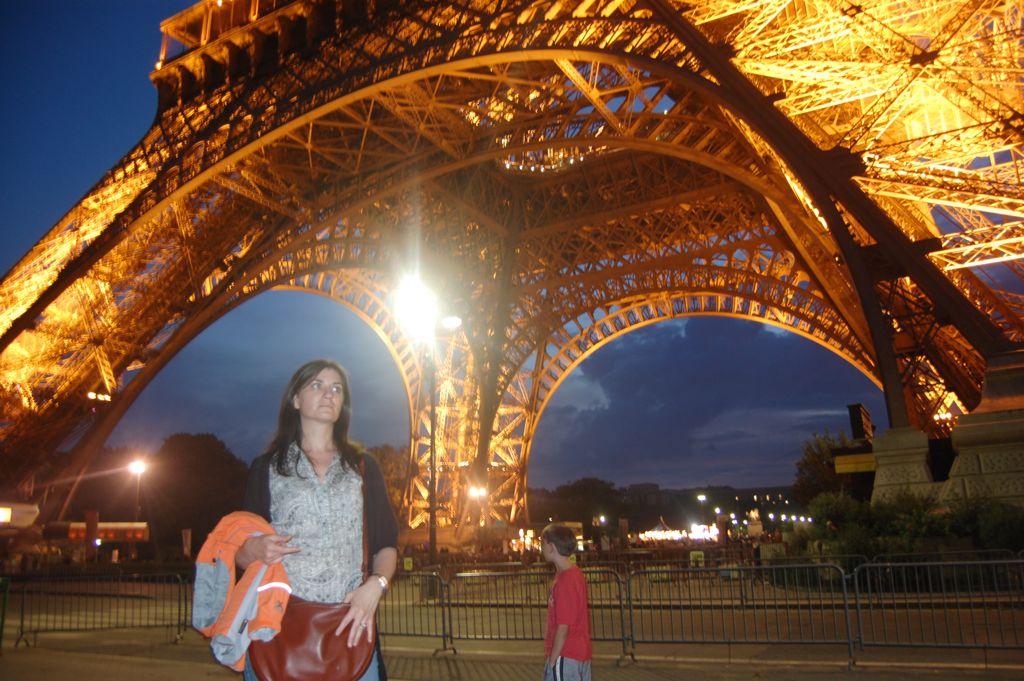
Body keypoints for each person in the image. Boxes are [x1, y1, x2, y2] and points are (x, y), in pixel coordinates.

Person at [237, 359, 398, 681]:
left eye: (336, 388)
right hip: (279, 624)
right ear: (295, 400)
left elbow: (386, 545)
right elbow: (239, 552)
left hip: (352, 622)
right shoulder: (266, 468)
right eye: (317, 385)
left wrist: (376, 586)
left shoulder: (364, 468)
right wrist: (255, 549)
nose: (328, 394)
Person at [541, 523, 592, 681]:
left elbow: (563, 628)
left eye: (542, 544)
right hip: (579, 653)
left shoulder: (564, 581)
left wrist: (552, 662)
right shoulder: (575, 574)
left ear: (551, 547)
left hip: (565, 655)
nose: (541, 548)